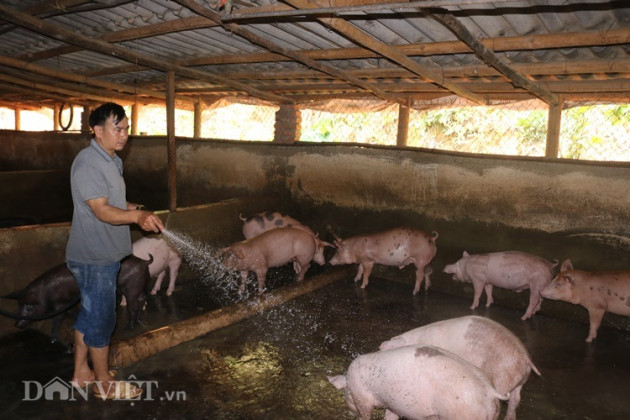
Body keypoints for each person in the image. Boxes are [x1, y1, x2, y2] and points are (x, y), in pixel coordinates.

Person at [66, 102, 164, 400]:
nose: (124, 135)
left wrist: (135, 208)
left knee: (90, 317)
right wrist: (135, 218)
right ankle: (104, 383)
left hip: (105, 254)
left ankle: (81, 373)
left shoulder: (112, 160)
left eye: (126, 128)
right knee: (102, 322)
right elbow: (101, 211)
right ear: (97, 130)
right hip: (93, 257)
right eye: (117, 128)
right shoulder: (88, 164)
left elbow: (114, 202)